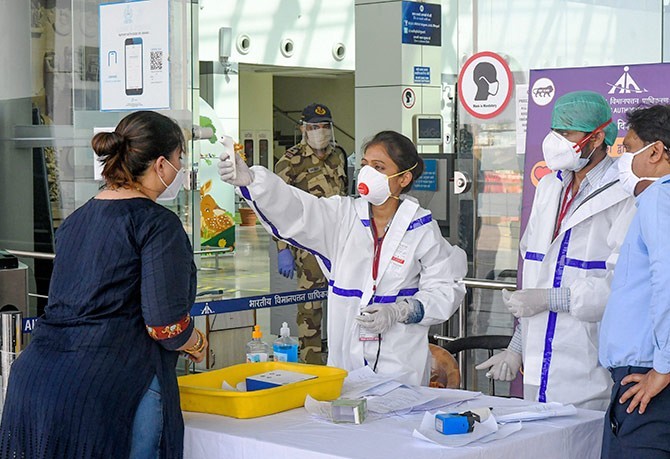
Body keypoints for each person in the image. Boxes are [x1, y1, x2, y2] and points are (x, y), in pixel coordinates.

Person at [0, 111, 207, 459]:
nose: (180, 168)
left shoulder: (76, 220)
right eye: (179, 159)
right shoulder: (157, 225)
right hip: (113, 389)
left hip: (36, 384)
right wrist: (196, 341)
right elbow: (164, 325)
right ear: (160, 165)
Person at [219, 130, 466, 385]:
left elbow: (446, 287)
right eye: (365, 164)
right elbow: (298, 210)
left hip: (401, 371)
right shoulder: (343, 217)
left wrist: (403, 310)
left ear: (404, 178)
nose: (368, 173)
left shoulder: (421, 228)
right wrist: (253, 182)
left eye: (379, 167)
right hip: (345, 371)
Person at [475, 91, 636, 410]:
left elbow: (623, 285)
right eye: (555, 131)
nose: (556, 141)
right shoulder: (550, 188)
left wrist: (551, 299)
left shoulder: (624, 193)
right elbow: (538, 273)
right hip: (536, 369)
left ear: (597, 136)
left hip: (588, 368)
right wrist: (517, 346)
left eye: (567, 133)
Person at [599, 105, 670, 458]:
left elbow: (668, 280)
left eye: (627, 148)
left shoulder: (659, 197)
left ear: (655, 151)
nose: (621, 159)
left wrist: (663, 367)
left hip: (648, 379)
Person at [274, 102, 348, 364]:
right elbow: (277, 208)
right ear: (303, 129)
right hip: (307, 245)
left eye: (324, 126)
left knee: (344, 303)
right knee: (310, 309)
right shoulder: (290, 162)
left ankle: (341, 359)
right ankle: (312, 363)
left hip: (340, 242)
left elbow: (345, 197)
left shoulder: (339, 155)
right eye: (314, 127)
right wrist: (283, 249)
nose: (320, 131)